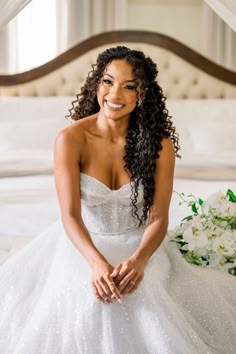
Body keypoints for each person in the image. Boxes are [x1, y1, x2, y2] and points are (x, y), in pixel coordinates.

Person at [0, 46, 235, 354]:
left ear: (143, 94)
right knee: (87, 297)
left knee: (144, 298)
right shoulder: (70, 140)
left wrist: (139, 261)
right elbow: (70, 216)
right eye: (108, 82)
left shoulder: (159, 146)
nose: (115, 94)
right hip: (82, 246)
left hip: (141, 246)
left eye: (129, 86)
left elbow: (159, 218)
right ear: (97, 83)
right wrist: (97, 264)